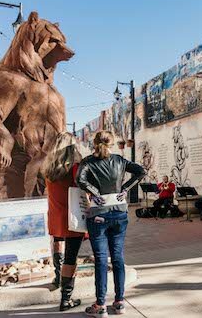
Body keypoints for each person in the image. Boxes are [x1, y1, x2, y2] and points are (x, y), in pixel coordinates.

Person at [76, 131, 145, 317]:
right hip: (120, 212)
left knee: (100, 259)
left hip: (98, 213)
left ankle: (100, 305)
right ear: (112, 143)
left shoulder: (88, 162)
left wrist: (95, 193)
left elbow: (80, 180)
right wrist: (126, 188)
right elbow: (141, 171)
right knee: (117, 257)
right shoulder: (119, 161)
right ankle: (119, 302)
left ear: (95, 142)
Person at [42, 132, 85, 311]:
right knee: (71, 257)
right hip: (72, 216)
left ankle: (58, 277)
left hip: (55, 214)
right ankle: (66, 298)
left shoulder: (49, 168)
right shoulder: (75, 168)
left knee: (57, 243)